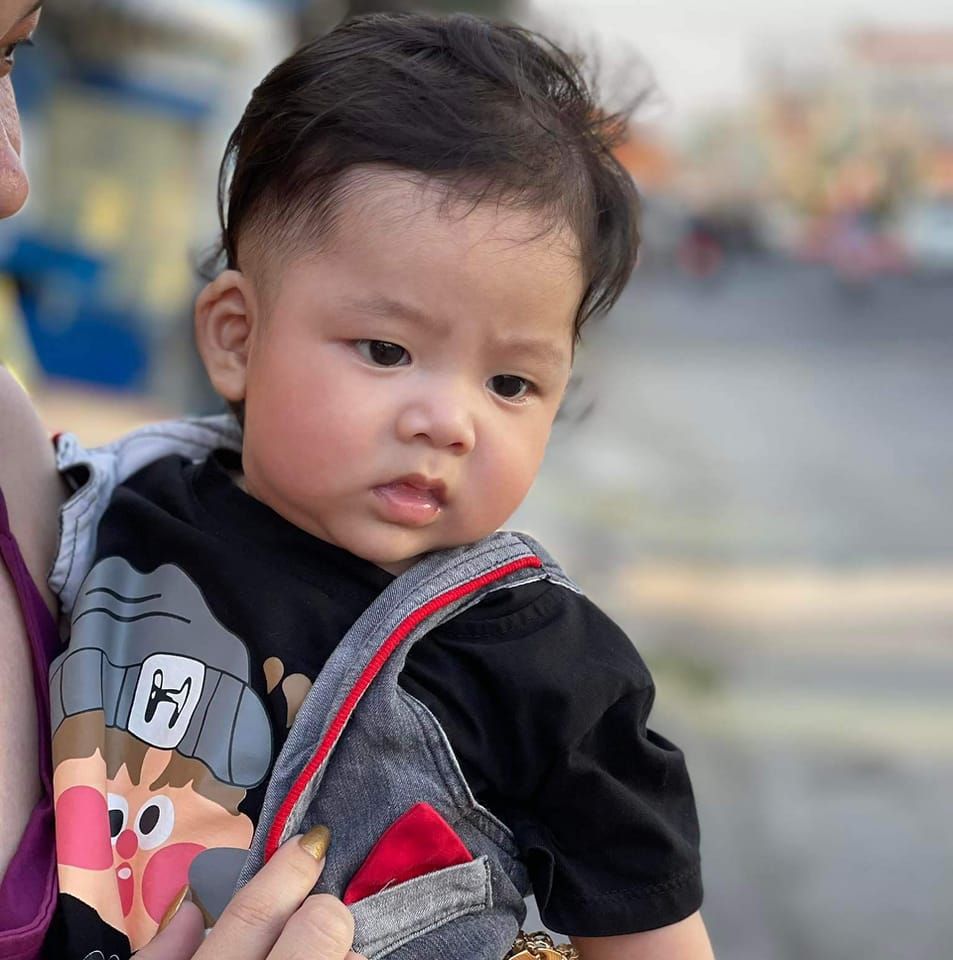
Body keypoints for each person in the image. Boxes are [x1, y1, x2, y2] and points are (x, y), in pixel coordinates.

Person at [40, 12, 716, 960]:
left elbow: (653, 938)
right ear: (236, 337)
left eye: (509, 382)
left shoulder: (543, 669)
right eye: (388, 351)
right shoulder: (109, 508)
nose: (450, 421)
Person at [0, 4, 364, 960]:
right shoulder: (140, 510)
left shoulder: (36, 477)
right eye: (382, 349)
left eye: (10, 55)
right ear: (233, 332)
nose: (13, 179)